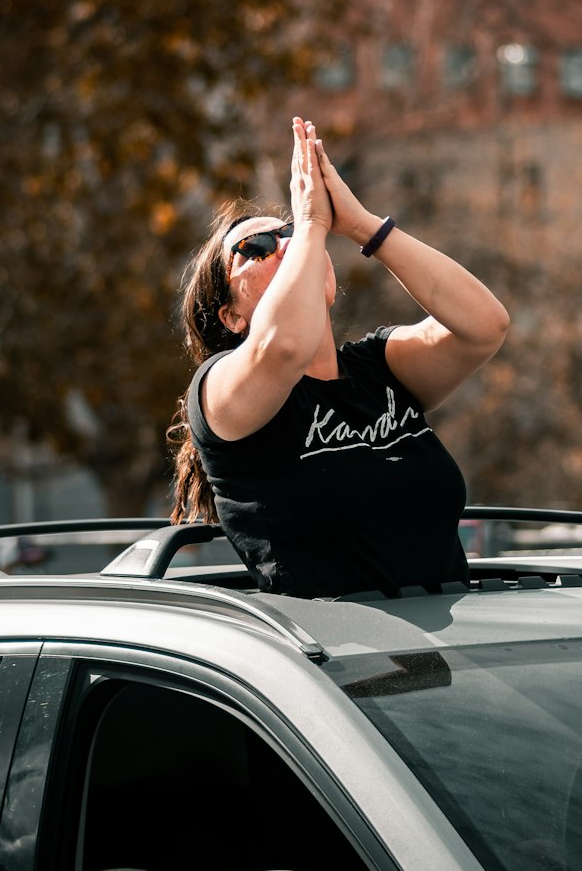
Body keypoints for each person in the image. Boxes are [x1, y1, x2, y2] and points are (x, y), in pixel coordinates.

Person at [168, 116, 510, 598]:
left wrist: (361, 225)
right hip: (335, 663)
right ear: (230, 318)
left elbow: (485, 325)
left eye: (290, 231)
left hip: (449, 653)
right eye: (256, 247)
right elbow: (283, 347)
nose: (286, 244)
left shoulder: (379, 368)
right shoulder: (219, 390)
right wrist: (309, 224)